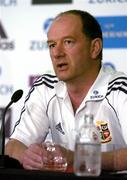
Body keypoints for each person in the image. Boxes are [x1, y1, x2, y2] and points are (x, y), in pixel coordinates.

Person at [5, 9, 127, 171]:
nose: (57, 53)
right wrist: (29, 157)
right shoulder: (45, 86)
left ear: (94, 48)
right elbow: (13, 147)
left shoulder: (119, 88)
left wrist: (77, 159)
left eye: (68, 42)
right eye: (52, 45)